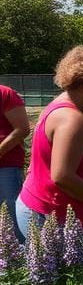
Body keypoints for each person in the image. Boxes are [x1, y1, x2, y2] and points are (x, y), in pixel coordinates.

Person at [16, 46, 83, 238]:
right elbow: (63, 176)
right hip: (52, 220)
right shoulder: (71, 120)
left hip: (54, 216)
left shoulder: (62, 107)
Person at [0, 84, 30, 241]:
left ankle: (20, 262)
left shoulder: (5, 93)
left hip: (6, 167)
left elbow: (22, 129)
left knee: (11, 215)